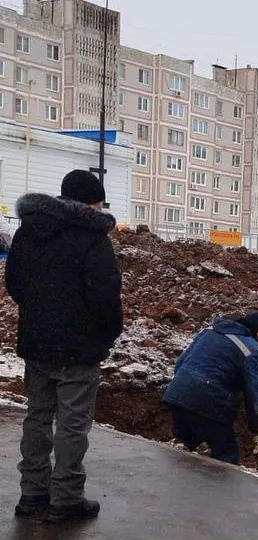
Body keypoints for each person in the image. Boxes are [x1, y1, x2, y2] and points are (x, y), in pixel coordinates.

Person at [5, 170, 123, 523]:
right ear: (92, 201)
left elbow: (15, 283)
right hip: (78, 349)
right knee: (72, 424)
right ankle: (66, 499)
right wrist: (108, 333)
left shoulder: (31, 230)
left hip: (37, 343)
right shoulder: (92, 237)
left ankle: (32, 493)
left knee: (37, 417)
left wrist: (41, 314)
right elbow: (105, 296)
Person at [161, 311, 258, 465]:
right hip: (210, 403)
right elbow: (254, 393)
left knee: (186, 451)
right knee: (227, 456)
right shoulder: (251, 349)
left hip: (178, 394)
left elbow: (180, 363)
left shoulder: (210, 331)